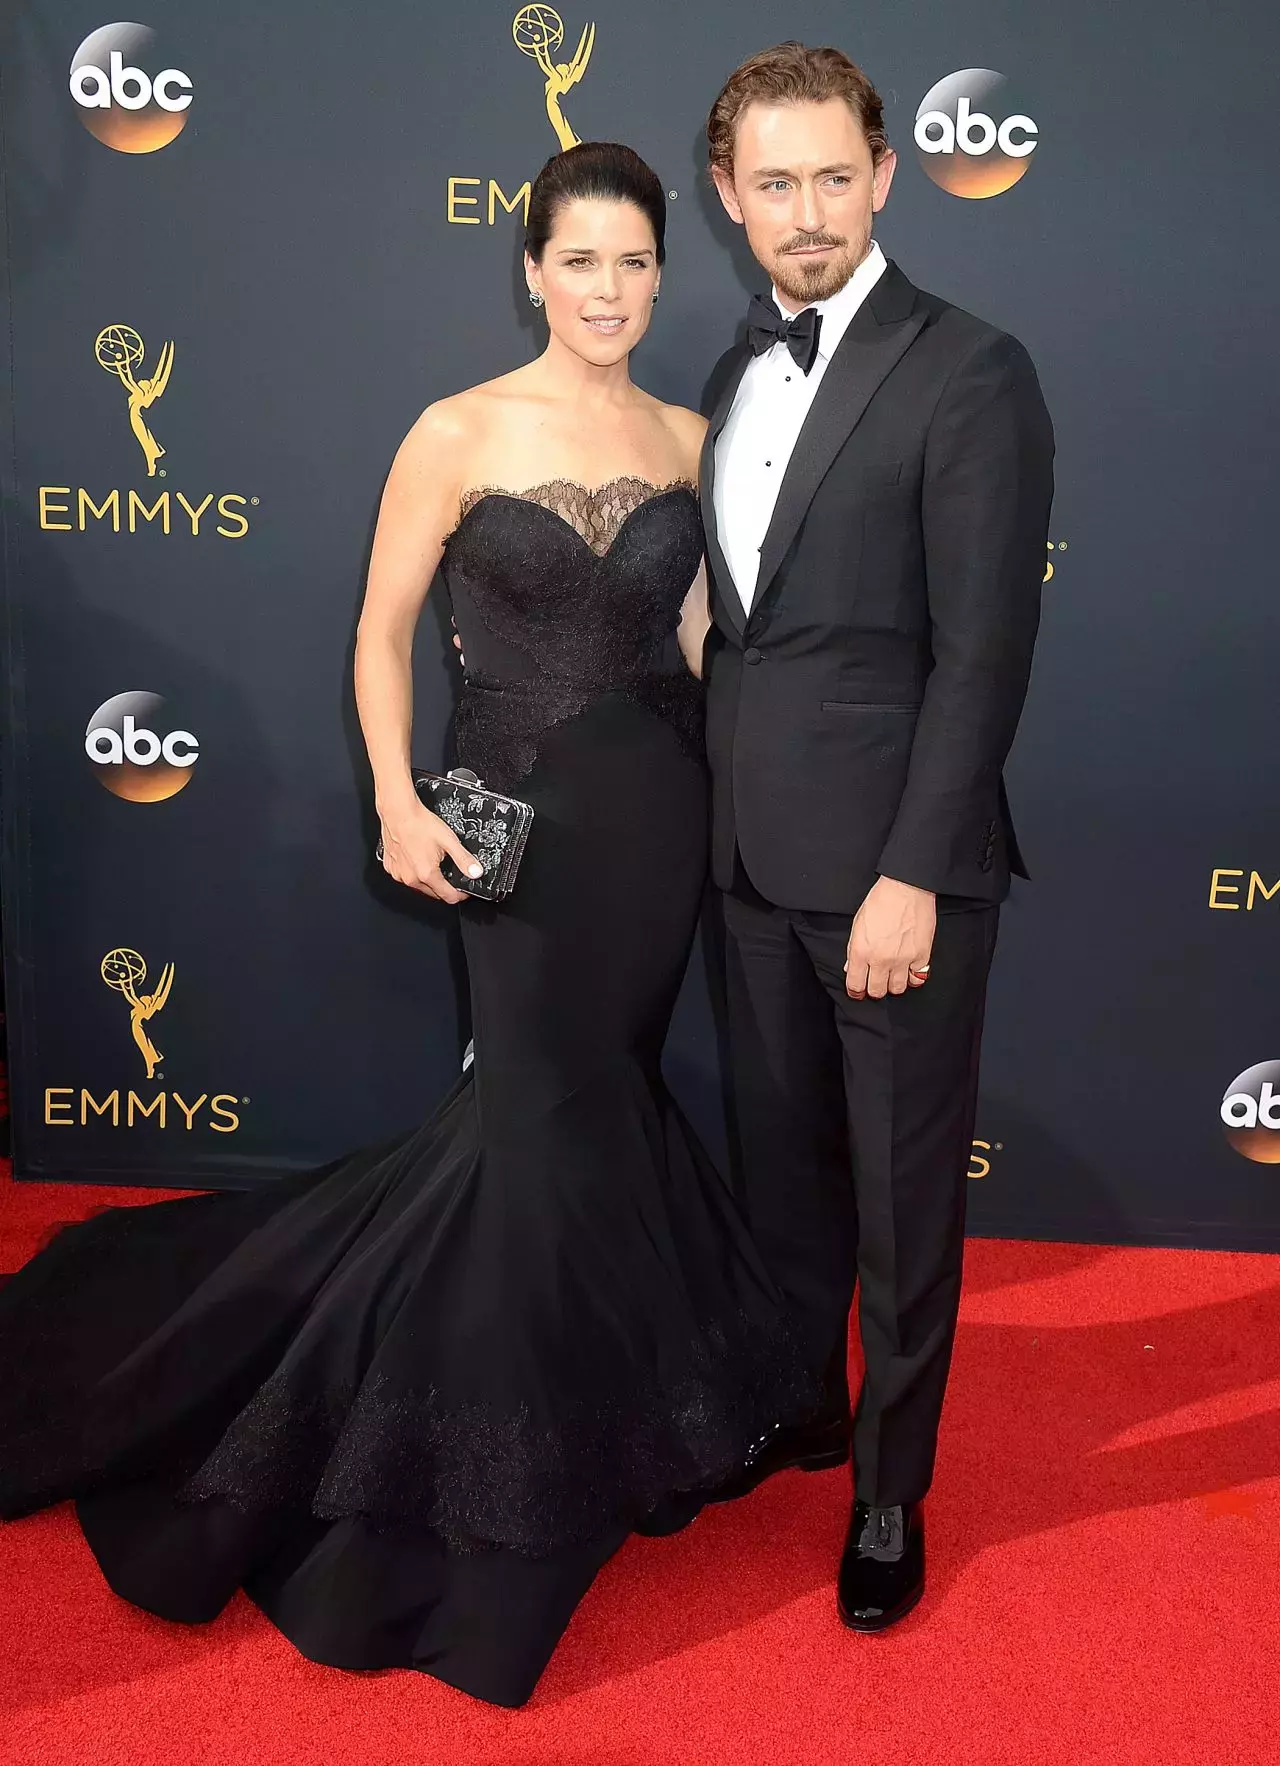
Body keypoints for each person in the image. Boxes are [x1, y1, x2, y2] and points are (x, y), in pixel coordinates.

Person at [0, 142, 819, 1709]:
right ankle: (484, 1474)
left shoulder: (697, 436)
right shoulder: (454, 430)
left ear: (666, 272)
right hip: (508, 822)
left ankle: (589, 1406)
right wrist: (393, 792)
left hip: (658, 824)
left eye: (635, 262)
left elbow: (710, 642)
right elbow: (381, 635)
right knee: (528, 1116)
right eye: (579, 260)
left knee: (597, 1108)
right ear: (531, 270)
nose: (607, 289)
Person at [696, 44, 1055, 1630]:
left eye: (834, 174)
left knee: (905, 1202)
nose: (807, 210)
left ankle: (893, 1489)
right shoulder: (731, 371)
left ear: (887, 174)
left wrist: (913, 869)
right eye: (774, 183)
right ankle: (808, 1406)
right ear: (728, 197)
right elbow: (756, 615)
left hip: (894, 873)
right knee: (785, 1179)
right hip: (749, 862)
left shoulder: (972, 368)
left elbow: (984, 653)